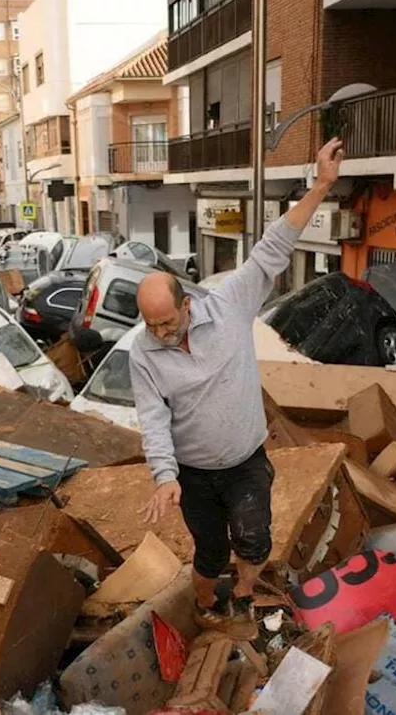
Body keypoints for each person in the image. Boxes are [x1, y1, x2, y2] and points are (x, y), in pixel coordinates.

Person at [129, 137, 346, 632]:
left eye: (166, 322)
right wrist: (165, 476)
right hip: (194, 473)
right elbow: (153, 416)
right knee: (208, 550)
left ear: (186, 304)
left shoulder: (228, 304)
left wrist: (321, 186)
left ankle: (244, 596)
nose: (160, 334)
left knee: (253, 540)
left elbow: (272, 247)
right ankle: (207, 609)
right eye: (151, 326)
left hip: (246, 462)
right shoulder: (143, 352)